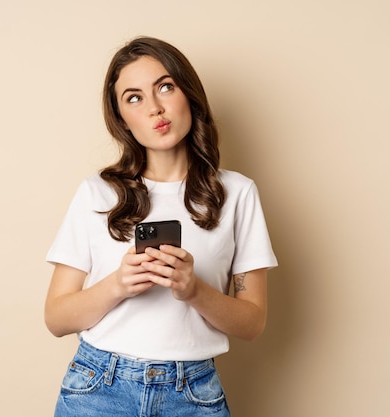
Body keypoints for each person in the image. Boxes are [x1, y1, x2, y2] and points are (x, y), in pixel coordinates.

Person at [44, 36, 277, 417]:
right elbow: (56, 318)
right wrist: (118, 284)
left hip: (193, 394)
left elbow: (253, 322)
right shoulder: (96, 193)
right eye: (134, 98)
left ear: (188, 93)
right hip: (98, 387)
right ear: (122, 119)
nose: (155, 108)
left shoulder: (237, 193)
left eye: (165, 87)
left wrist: (194, 290)